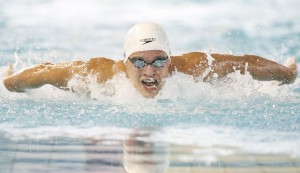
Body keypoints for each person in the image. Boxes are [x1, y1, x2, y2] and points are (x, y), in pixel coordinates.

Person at [3, 22, 298, 98]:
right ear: (125, 62)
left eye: (159, 61)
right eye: (139, 62)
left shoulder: (192, 67)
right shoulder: (98, 75)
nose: (150, 71)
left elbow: (242, 63)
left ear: (170, 60)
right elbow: (46, 72)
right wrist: (10, 82)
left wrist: (287, 74)